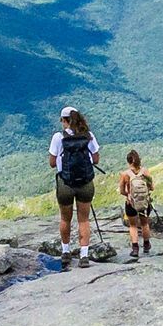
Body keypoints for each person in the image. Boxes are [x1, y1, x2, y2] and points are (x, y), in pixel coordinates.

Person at [48, 105, 100, 266]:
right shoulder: (88, 135)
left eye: (62, 120)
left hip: (65, 183)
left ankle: (65, 252)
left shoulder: (58, 137)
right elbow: (96, 159)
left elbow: (51, 163)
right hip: (85, 183)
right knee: (84, 219)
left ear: (65, 120)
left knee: (65, 219)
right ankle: (84, 256)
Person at [118, 149, 155, 261]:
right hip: (145, 203)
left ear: (129, 162)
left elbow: (121, 191)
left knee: (133, 225)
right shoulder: (145, 172)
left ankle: (135, 248)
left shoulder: (125, 174)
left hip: (131, 203)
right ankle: (147, 245)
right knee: (144, 224)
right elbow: (152, 187)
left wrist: (129, 195)